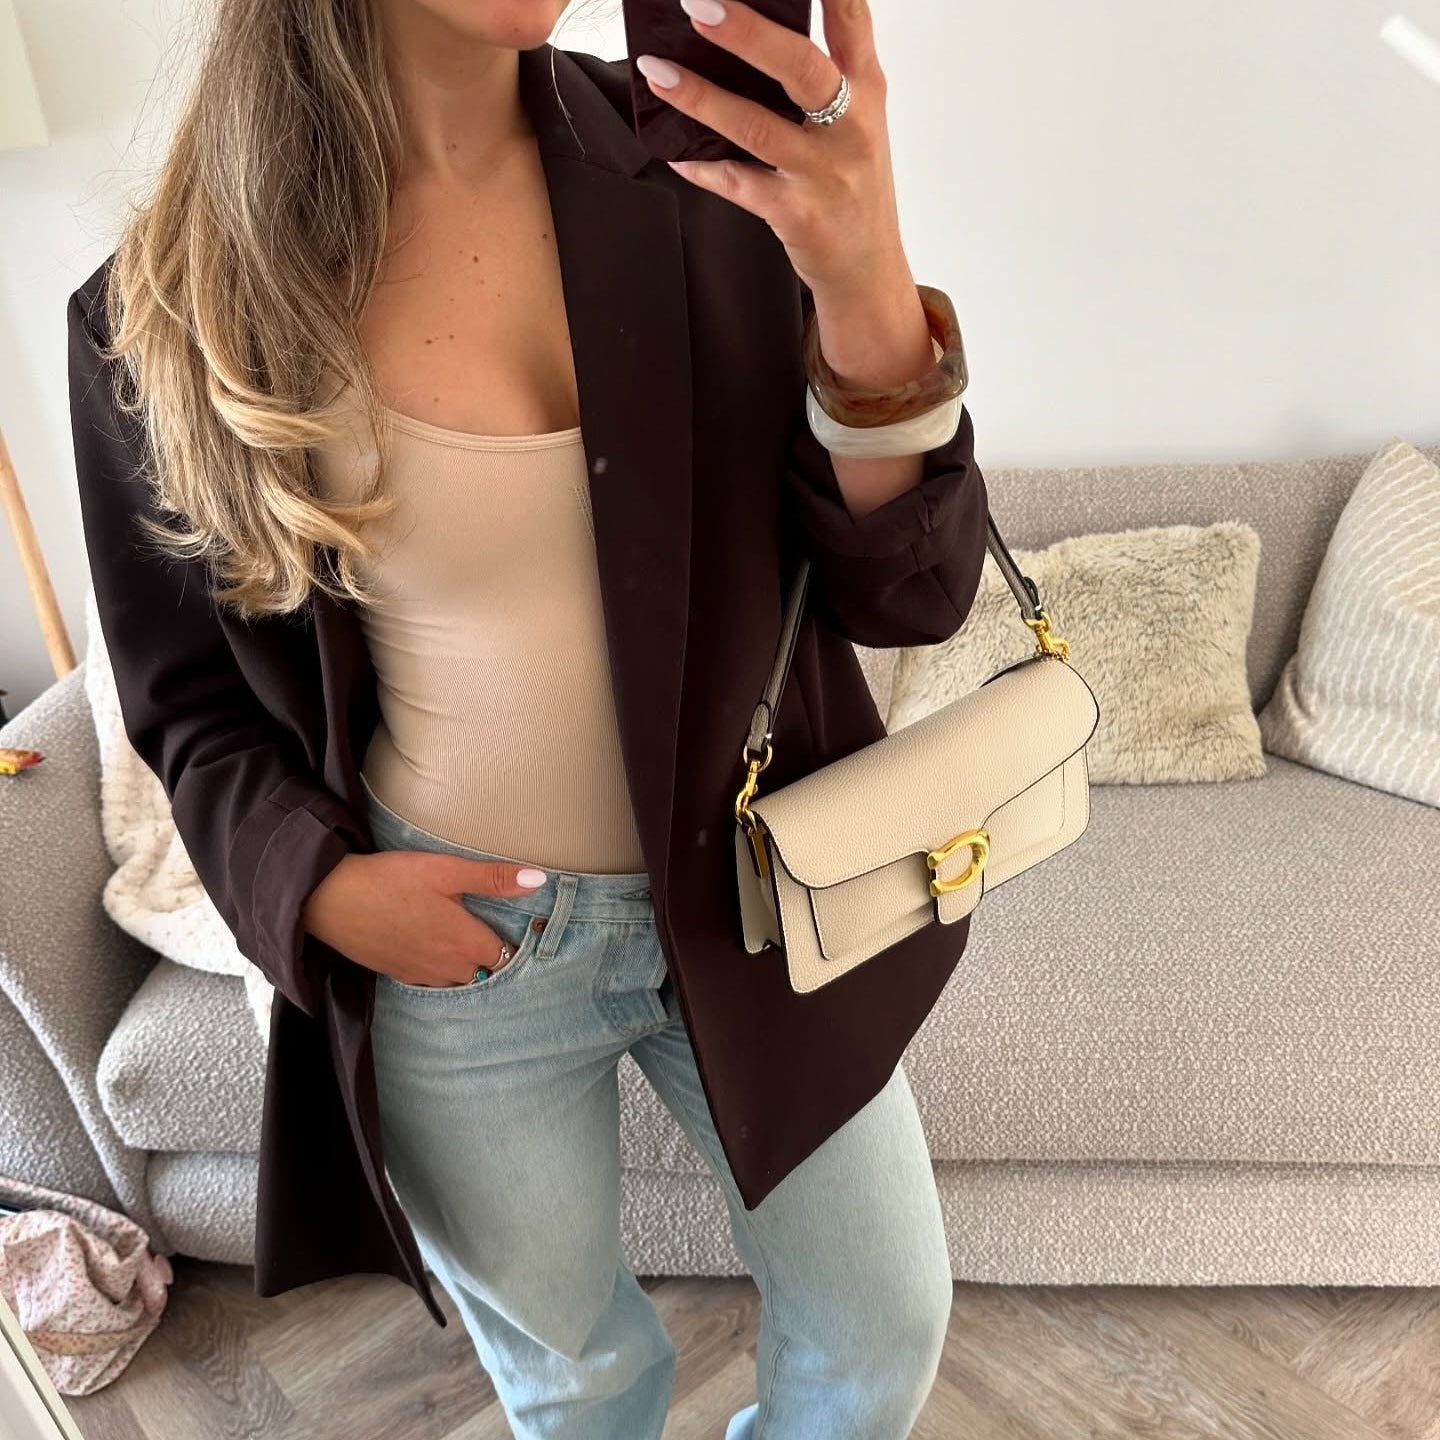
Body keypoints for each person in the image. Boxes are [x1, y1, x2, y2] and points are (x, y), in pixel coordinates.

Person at [67, 1, 991, 1435]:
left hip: (757, 893)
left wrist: (866, 280)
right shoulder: (176, 297)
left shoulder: (706, 167)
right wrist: (319, 893)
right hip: (456, 951)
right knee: (577, 1384)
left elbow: (910, 596)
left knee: (882, 1326)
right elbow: (185, 704)